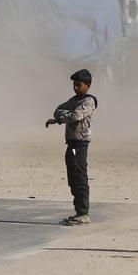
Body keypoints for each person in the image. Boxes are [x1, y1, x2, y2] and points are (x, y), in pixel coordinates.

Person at [44, 69, 97, 226]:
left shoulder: (88, 101)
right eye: (74, 85)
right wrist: (63, 116)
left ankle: (83, 213)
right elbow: (58, 110)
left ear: (87, 85)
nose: (75, 87)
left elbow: (76, 115)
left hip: (80, 144)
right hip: (71, 143)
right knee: (72, 177)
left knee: (79, 176)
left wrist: (60, 118)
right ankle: (78, 212)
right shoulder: (74, 100)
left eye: (79, 85)